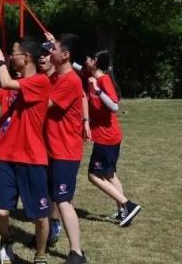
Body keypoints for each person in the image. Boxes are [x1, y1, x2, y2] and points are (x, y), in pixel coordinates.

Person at [0, 39, 52, 264]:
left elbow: (6, 82)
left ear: (27, 57)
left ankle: (40, 254)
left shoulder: (40, 82)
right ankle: (7, 238)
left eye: (13, 53)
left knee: (40, 217)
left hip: (32, 158)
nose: (10, 56)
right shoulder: (11, 85)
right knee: (1, 213)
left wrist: (0, 61)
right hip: (6, 157)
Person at [44, 32, 87, 264]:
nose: (50, 53)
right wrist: (52, 40)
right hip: (53, 149)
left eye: (54, 49)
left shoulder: (70, 81)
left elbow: (45, 105)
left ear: (66, 55)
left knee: (63, 200)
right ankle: (50, 234)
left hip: (65, 152)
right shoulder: (57, 77)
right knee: (52, 196)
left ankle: (77, 252)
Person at [84, 50, 141, 227]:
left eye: (87, 58)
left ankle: (127, 205)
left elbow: (114, 106)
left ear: (94, 61)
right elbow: (73, 66)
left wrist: (98, 90)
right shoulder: (92, 76)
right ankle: (123, 212)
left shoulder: (103, 80)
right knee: (109, 174)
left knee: (94, 175)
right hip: (106, 136)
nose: (84, 60)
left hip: (107, 137)